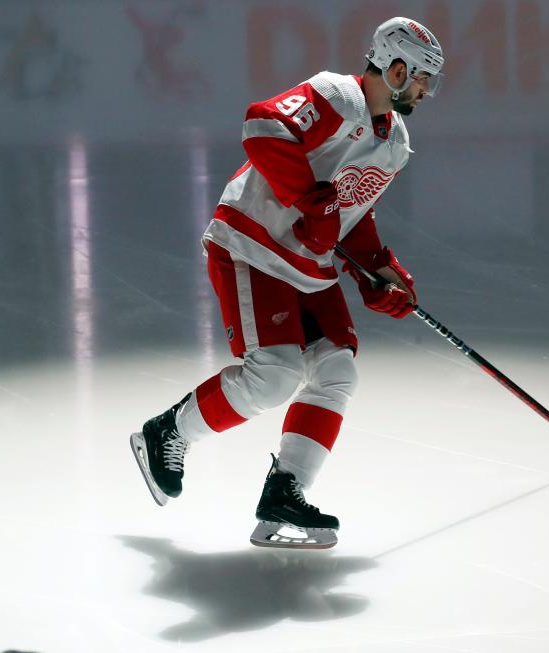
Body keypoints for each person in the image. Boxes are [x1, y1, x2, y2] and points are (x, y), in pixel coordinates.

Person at [131, 17, 445, 549]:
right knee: (275, 375)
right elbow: (263, 127)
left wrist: (379, 271)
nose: (425, 91)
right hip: (252, 246)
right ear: (396, 68)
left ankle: (285, 490)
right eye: (421, 78)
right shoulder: (335, 96)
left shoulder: (394, 144)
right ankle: (168, 432)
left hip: (306, 266)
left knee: (337, 371)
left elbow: (351, 211)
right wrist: (310, 200)